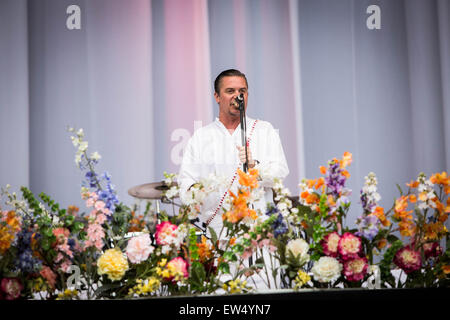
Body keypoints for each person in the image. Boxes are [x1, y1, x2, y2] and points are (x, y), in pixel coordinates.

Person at [178, 69, 289, 236]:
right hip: (217, 233)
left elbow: (280, 173)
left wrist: (254, 168)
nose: (237, 96)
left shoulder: (264, 130)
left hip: (258, 232)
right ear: (217, 97)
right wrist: (201, 189)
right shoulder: (201, 137)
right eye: (230, 91)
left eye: (242, 91)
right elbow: (185, 183)